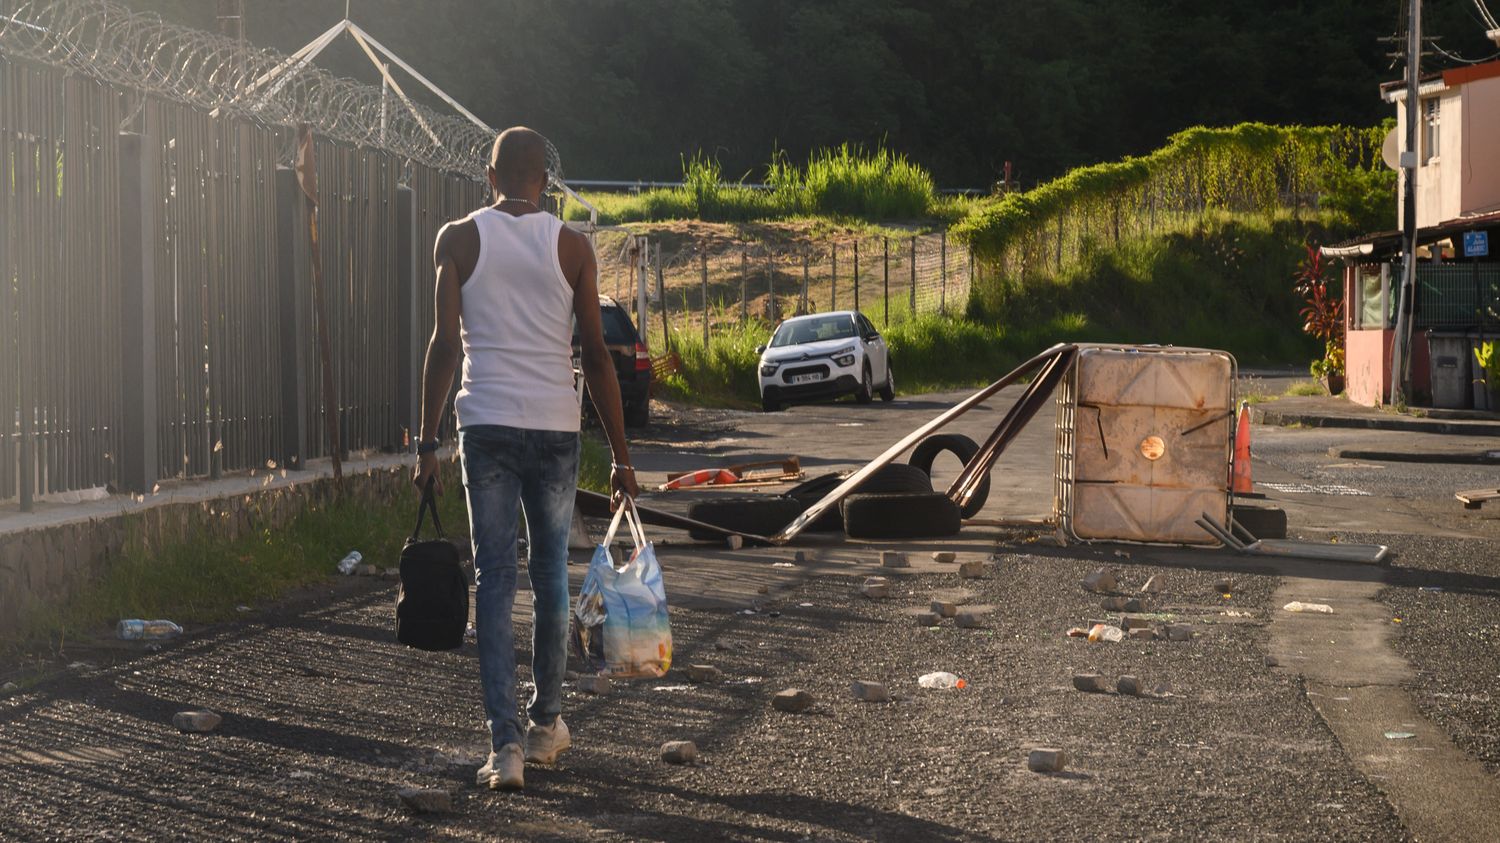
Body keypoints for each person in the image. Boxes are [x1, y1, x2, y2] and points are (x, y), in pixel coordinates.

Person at [412, 126, 638, 792]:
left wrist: (427, 440)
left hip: (485, 424)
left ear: (490, 176)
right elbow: (596, 355)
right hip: (554, 427)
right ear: (546, 181)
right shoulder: (572, 246)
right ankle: (546, 723)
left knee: (494, 577)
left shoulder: (456, 239)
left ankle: (504, 745)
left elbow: (444, 346)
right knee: (550, 578)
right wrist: (623, 459)